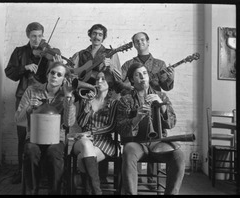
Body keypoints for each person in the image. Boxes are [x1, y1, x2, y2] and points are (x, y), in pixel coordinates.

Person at [116, 62, 185, 195]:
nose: (143, 77)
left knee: (179, 155)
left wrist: (162, 106)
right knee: (128, 151)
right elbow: (121, 129)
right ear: (131, 80)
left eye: (145, 73)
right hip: (136, 143)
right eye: (138, 75)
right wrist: (136, 118)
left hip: (158, 143)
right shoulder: (125, 100)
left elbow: (172, 123)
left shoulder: (162, 96)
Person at [121, 32, 175, 188]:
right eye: (136, 41)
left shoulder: (160, 63)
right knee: (136, 138)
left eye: (142, 40)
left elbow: (166, 87)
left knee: (155, 133)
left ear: (148, 41)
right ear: (134, 44)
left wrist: (170, 78)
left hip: (155, 101)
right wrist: (132, 86)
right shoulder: (128, 64)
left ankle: (152, 180)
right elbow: (121, 84)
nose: (140, 43)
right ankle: (135, 179)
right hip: (135, 100)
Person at [5, 22, 57, 184]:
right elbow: (10, 73)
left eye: (40, 36)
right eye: (33, 36)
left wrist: (55, 61)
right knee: (23, 136)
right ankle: (21, 171)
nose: (37, 39)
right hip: (23, 97)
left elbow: (55, 74)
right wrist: (25, 67)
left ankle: (42, 172)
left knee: (45, 135)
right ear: (28, 35)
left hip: (44, 98)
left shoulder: (48, 52)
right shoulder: (20, 52)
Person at [14, 61, 76, 194]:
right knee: (30, 151)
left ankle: (54, 192)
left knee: (54, 153)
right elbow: (18, 119)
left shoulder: (67, 95)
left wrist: (68, 97)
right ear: (47, 74)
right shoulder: (32, 90)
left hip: (56, 139)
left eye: (59, 74)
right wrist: (29, 108)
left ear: (64, 79)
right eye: (52, 72)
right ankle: (32, 191)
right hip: (34, 138)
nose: (54, 76)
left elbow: (69, 123)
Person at [70, 23, 122, 181]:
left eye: (100, 34)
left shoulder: (110, 53)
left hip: (105, 95)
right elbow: (71, 73)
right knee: (84, 126)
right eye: (94, 33)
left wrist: (111, 66)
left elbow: (120, 79)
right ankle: (92, 178)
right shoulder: (81, 54)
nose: (97, 37)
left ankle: (101, 176)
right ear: (90, 35)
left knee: (102, 131)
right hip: (84, 96)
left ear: (104, 37)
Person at [71, 70, 119, 195]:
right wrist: (87, 108)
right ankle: (97, 192)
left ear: (109, 83)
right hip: (83, 139)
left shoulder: (114, 103)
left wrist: (91, 132)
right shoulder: (87, 99)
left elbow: (111, 127)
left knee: (82, 158)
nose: (99, 81)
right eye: (97, 79)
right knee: (86, 144)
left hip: (104, 141)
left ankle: (88, 191)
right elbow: (81, 123)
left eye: (103, 79)